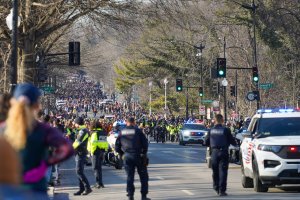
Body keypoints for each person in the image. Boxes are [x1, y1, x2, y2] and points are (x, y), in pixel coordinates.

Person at [4, 83, 74, 194]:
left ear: (13, 103)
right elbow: (67, 149)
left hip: (8, 190)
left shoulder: (4, 129)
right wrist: (46, 163)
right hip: (35, 189)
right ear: (37, 105)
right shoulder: (43, 130)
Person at [115, 117, 150, 200]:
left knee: (130, 177)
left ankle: (130, 195)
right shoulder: (138, 131)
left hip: (127, 156)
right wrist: (144, 154)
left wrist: (122, 154)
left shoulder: (122, 132)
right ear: (134, 123)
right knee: (143, 177)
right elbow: (145, 144)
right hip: (138, 156)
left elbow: (117, 147)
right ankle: (144, 196)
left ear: (126, 123)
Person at [204, 114, 237, 196]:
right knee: (223, 171)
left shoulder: (211, 130)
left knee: (215, 171)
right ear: (222, 120)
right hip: (223, 152)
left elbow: (205, 142)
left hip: (214, 152)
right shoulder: (226, 130)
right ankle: (222, 190)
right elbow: (232, 141)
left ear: (214, 120)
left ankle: (216, 187)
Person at [72, 117, 92, 195]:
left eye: (75, 123)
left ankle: (87, 188)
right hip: (79, 152)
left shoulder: (83, 131)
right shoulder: (81, 130)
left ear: (78, 123)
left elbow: (78, 142)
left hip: (81, 153)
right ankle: (81, 189)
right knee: (79, 171)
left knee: (79, 171)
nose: (74, 124)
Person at [87, 120, 109, 189]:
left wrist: (91, 152)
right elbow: (105, 142)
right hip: (102, 151)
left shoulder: (94, 133)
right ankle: (101, 183)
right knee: (99, 168)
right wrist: (105, 149)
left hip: (95, 151)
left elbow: (93, 143)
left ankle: (98, 183)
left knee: (95, 167)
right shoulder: (103, 132)